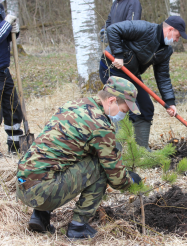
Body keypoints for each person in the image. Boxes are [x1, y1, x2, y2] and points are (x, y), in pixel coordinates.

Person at [16, 77, 142, 239]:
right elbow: (115, 177)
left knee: (63, 158)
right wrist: (130, 181)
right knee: (99, 166)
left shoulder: (74, 105)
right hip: (42, 193)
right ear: (112, 100)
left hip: (22, 184)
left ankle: (40, 216)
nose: (124, 115)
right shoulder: (101, 125)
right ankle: (78, 226)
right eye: (124, 110)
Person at [99, 16, 187, 151]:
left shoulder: (165, 51)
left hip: (131, 74)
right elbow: (113, 29)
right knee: (125, 109)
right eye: (177, 36)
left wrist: (170, 102)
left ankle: (141, 151)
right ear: (170, 29)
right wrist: (119, 55)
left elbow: (163, 76)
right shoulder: (145, 28)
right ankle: (116, 151)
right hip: (113, 68)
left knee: (146, 108)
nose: (177, 40)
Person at [0, 3, 23, 154]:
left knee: (13, 108)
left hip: (3, 70)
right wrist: (6, 24)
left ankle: (14, 147)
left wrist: (13, 31)